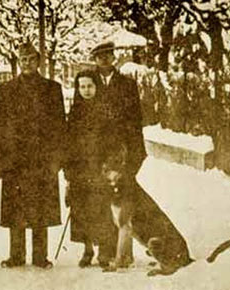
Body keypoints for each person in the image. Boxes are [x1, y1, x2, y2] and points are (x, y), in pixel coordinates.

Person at [0, 41, 67, 269]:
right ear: (18, 61)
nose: (26, 63)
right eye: (23, 59)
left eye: (31, 59)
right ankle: (16, 255)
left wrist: (57, 159)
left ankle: (39, 256)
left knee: (40, 207)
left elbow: (59, 127)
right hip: (15, 158)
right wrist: (1, 158)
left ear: (38, 61)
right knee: (15, 207)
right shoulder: (5, 89)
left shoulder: (52, 88)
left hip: (42, 158)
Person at [91, 41, 147, 267]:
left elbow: (135, 119)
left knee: (124, 200)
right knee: (102, 202)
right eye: (99, 56)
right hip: (98, 151)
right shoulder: (88, 81)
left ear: (113, 57)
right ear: (94, 59)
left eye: (108, 55)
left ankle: (126, 253)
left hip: (122, 150)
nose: (104, 60)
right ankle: (106, 251)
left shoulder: (127, 84)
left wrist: (135, 153)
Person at [64, 70, 119, 268]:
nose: (86, 90)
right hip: (80, 169)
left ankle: (105, 251)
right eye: (82, 87)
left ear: (97, 87)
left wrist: (110, 164)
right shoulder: (75, 112)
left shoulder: (106, 110)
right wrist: (69, 171)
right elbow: (68, 143)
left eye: (90, 86)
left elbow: (114, 141)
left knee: (102, 210)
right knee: (82, 210)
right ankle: (87, 249)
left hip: (100, 168)